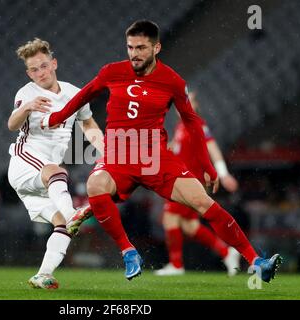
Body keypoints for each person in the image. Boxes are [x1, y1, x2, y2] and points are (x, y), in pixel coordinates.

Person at [41, 20, 282, 282]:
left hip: (155, 158)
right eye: (130, 47)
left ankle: (256, 261)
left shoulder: (172, 81)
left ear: (157, 47)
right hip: (119, 157)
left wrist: (208, 167)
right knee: (95, 185)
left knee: (203, 202)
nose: (134, 53)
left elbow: (192, 122)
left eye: (141, 48)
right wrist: (58, 116)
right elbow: (83, 96)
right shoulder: (112, 72)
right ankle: (128, 251)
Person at [7, 38, 104, 289]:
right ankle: (74, 213)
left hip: (46, 183)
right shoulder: (26, 93)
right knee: (57, 172)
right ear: (29, 73)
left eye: (43, 66)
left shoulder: (74, 93)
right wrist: (27, 107)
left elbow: (88, 123)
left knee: (62, 225)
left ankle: (43, 274)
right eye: (34, 69)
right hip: (24, 164)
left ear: (54, 63)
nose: (40, 73)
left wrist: (107, 151)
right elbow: (12, 125)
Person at [155, 91, 240, 276]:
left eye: (188, 101)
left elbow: (213, 148)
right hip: (181, 180)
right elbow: (179, 149)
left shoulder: (197, 124)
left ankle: (176, 265)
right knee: (189, 226)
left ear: (195, 106)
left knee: (170, 218)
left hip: (188, 182)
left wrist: (223, 174)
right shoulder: (181, 126)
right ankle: (227, 253)